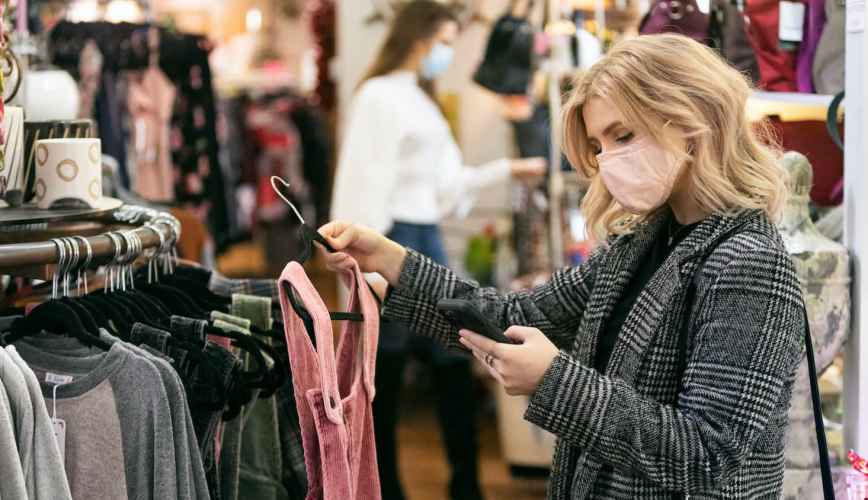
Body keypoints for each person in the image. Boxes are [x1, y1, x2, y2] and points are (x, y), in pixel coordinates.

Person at [321, 34, 806, 499]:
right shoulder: (637, 245)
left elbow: (708, 454)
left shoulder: (750, 263)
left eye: (623, 135)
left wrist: (553, 379)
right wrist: (392, 259)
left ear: (692, 120)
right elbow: (517, 315)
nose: (609, 160)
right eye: (599, 145)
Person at [330, 2, 545, 499]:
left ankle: (463, 483)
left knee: (450, 365)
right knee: (384, 376)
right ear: (419, 37)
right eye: (445, 40)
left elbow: (446, 187)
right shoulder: (381, 96)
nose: (448, 52)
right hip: (393, 238)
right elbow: (365, 180)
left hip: (423, 240)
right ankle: (384, 487)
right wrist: (359, 262)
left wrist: (507, 171)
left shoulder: (420, 99)